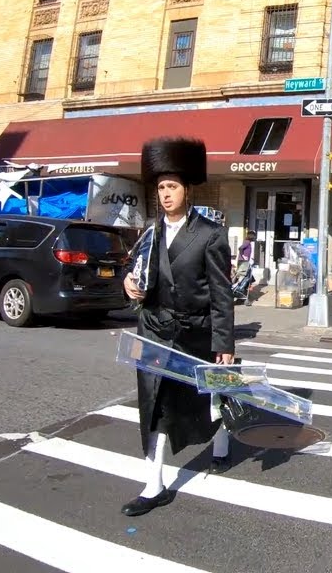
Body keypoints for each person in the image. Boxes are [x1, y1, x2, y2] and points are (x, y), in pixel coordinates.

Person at [121, 137, 235, 517]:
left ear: (187, 190)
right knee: (155, 406)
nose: (165, 195)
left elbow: (222, 294)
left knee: (204, 400)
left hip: (192, 335)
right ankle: (154, 485)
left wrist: (225, 342)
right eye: (161, 188)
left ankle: (221, 435)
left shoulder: (210, 235)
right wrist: (128, 285)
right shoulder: (150, 234)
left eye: (172, 187)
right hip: (153, 330)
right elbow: (135, 274)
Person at [233, 230, 256, 305]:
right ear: (251, 236)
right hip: (243, 262)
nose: (255, 237)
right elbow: (240, 248)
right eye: (254, 236)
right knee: (243, 277)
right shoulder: (247, 242)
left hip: (244, 262)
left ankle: (241, 294)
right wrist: (244, 256)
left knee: (246, 277)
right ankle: (239, 291)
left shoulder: (247, 242)